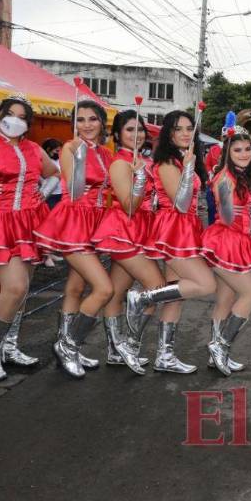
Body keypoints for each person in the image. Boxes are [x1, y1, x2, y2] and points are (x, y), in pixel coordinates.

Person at [0, 94, 59, 380]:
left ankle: (8, 345)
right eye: (11, 114)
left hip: (29, 221)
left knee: (25, 286)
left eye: (23, 117)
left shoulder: (33, 148)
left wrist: (41, 194)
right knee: (15, 287)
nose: (16, 121)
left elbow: (54, 173)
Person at [125, 110, 217, 374]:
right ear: (169, 133)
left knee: (175, 296)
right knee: (204, 284)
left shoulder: (182, 158)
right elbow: (181, 203)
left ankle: (161, 355)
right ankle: (143, 298)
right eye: (179, 129)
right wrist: (189, 168)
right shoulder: (167, 162)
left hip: (186, 228)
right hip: (174, 229)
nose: (186, 133)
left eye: (190, 129)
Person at [34, 99, 115, 379]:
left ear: (102, 123)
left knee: (75, 289)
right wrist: (79, 156)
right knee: (104, 289)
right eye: (80, 120)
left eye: (92, 119)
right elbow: (76, 189)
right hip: (74, 223)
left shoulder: (106, 154)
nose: (86, 125)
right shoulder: (70, 148)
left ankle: (68, 347)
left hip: (95, 224)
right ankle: (67, 345)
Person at [91, 110, 165, 374]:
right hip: (124, 230)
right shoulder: (121, 163)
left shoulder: (142, 160)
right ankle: (129, 346)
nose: (137, 135)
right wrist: (142, 178)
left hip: (141, 232)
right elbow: (129, 206)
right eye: (130, 130)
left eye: (141, 129)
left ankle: (114, 351)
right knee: (156, 288)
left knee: (115, 291)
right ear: (117, 135)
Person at [200, 125, 251, 376]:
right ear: (227, 151)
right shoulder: (226, 177)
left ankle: (217, 355)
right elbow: (225, 218)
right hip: (225, 239)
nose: (244, 154)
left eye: (247, 149)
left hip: (237, 240)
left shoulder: (240, 175)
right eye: (237, 150)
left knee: (226, 299)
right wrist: (228, 201)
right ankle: (220, 346)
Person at [41, 138, 63, 208]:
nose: (59, 153)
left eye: (60, 151)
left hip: (62, 193)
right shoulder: (43, 161)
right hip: (50, 195)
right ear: (48, 149)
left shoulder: (61, 160)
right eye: (57, 151)